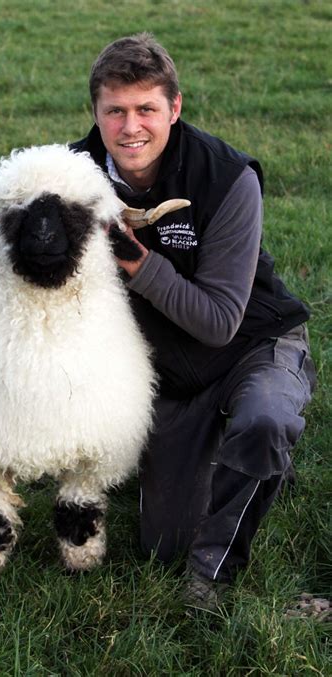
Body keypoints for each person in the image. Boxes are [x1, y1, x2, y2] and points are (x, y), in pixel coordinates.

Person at [70, 33, 316, 609]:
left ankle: (212, 576)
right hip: (167, 370)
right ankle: (227, 461)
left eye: (147, 109)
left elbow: (219, 321)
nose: (131, 127)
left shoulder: (227, 178)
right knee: (164, 543)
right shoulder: (70, 176)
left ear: (174, 108)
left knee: (264, 421)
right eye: (116, 111)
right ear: (97, 113)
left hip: (249, 342)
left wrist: (133, 260)